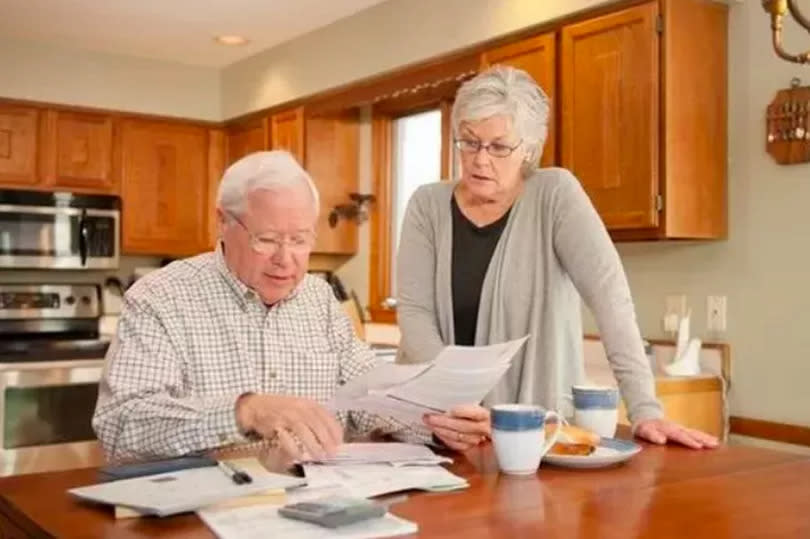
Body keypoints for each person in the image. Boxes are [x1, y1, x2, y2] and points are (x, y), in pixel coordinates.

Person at [93, 150, 490, 463]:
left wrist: (439, 423)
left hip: (323, 513)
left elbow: (370, 401)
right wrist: (245, 412)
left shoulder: (318, 300)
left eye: (300, 240)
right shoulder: (160, 297)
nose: (286, 259)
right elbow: (121, 425)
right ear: (222, 222)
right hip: (205, 517)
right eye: (266, 239)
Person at [395, 66, 718, 449]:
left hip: (532, 432)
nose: (481, 159)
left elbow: (610, 300)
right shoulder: (426, 206)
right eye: (469, 142)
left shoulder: (556, 196)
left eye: (499, 146)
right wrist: (454, 404)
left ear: (529, 149)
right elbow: (415, 315)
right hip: (437, 425)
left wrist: (646, 409)